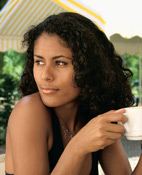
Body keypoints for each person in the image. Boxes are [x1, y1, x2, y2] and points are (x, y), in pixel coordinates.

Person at [5, 12, 142, 175]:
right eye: (39, 61)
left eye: (60, 63)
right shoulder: (29, 111)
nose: (45, 75)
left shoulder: (94, 113)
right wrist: (79, 146)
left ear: (89, 68)